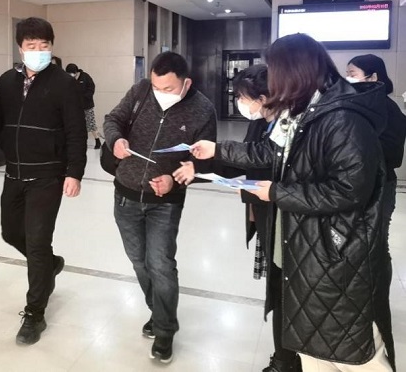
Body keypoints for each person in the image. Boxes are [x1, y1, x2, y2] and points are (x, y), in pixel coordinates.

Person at [191, 34, 395, 371]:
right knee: (313, 345)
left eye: (275, 70)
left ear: (294, 70)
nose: (272, 80)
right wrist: (218, 149)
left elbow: (348, 191)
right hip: (305, 243)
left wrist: (276, 193)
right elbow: (270, 152)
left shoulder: (342, 117)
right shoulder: (303, 111)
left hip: (335, 251)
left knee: (355, 353)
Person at [174, 64, 301, 372]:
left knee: (286, 290)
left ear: (264, 98)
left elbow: (262, 158)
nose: (240, 103)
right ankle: (284, 356)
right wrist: (198, 169)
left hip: (287, 219)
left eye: (243, 97)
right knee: (278, 286)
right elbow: (243, 160)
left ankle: (286, 360)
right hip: (267, 215)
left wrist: (217, 150)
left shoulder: (291, 125)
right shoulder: (261, 122)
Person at [0, 17, 87, 345]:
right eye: (31, 46)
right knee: (10, 232)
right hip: (14, 174)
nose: (38, 51)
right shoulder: (7, 81)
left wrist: (74, 172)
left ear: (51, 47)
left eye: (43, 45)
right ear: (20, 49)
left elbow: (76, 131)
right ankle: (50, 264)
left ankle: (35, 313)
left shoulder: (64, 84)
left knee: (36, 243)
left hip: (48, 176)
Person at [102, 51, 217, 364]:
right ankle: (158, 311)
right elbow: (112, 119)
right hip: (125, 195)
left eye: (168, 89)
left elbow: (204, 163)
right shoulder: (140, 91)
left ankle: (165, 329)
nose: (160, 93)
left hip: (165, 203)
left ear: (186, 83)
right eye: (156, 87)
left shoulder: (202, 109)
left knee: (161, 264)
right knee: (139, 261)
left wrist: (173, 181)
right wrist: (116, 140)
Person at [346, 54, 406, 239]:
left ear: (373, 77)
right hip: (359, 183)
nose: (347, 79)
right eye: (347, 73)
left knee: (376, 242)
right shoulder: (361, 105)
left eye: (352, 74)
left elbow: (393, 153)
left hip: (379, 185)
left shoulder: (386, 108)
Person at [65, 63, 102, 149]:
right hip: (76, 106)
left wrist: (85, 96)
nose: (71, 75)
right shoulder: (69, 79)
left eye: (72, 73)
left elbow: (92, 87)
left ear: (76, 72)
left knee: (91, 123)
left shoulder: (85, 77)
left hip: (87, 105)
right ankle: (81, 141)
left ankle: (97, 140)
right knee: (78, 125)